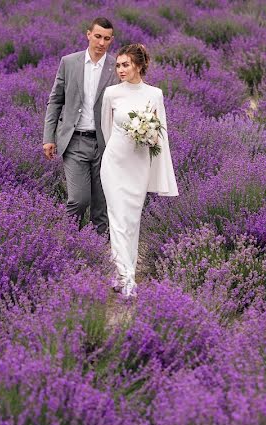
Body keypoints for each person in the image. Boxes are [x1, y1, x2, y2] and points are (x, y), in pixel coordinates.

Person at [100, 44, 178, 298]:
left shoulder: (155, 94)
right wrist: (118, 150)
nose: (120, 69)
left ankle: (124, 271)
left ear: (139, 65)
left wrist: (146, 137)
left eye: (126, 64)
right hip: (114, 163)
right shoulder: (111, 93)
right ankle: (127, 278)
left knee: (131, 221)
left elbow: (159, 135)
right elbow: (106, 129)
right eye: (118, 65)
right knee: (117, 218)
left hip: (139, 164)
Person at [43, 18, 118, 235]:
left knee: (101, 206)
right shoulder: (69, 62)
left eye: (106, 38)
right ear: (88, 35)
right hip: (75, 140)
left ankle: (99, 254)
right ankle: (64, 242)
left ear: (111, 40)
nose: (101, 42)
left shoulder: (116, 67)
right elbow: (55, 101)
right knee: (78, 199)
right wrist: (49, 137)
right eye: (97, 36)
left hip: (105, 144)